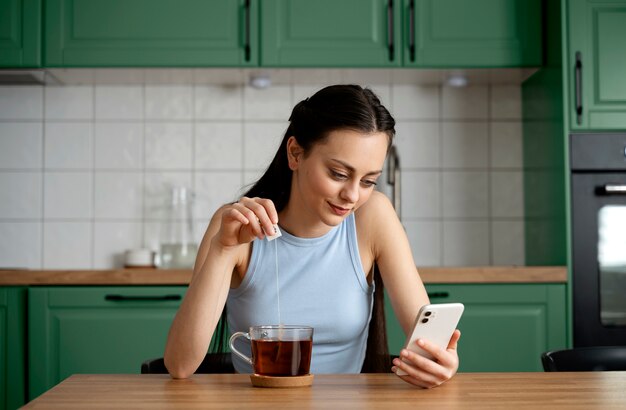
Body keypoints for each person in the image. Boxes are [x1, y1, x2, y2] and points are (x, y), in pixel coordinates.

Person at [164, 84, 461, 388]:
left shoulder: (374, 216)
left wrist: (442, 361)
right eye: (338, 174)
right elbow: (180, 365)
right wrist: (222, 250)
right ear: (295, 153)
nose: (352, 195)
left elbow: (430, 342)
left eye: (369, 181)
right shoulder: (234, 227)